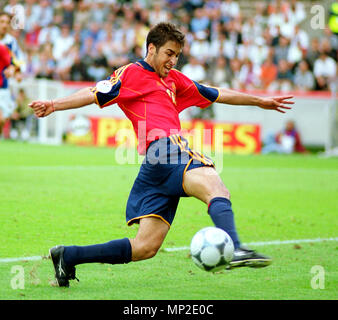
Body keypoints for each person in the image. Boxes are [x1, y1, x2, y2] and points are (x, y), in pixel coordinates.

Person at [29, 23, 294, 287]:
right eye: (169, 53)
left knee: (145, 247)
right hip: (166, 148)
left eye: (177, 55)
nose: (173, 60)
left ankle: (68, 256)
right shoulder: (131, 73)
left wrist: (260, 101)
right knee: (217, 188)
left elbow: (218, 93)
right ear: (151, 49)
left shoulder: (175, 80)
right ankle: (234, 246)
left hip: (156, 166)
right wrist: (53, 104)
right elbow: (92, 93)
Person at [0, 11, 23, 137]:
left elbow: (17, 61)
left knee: (2, 120)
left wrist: (14, 70)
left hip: (4, 86)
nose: (4, 25)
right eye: (1, 22)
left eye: (7, 23)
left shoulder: (10, 42)